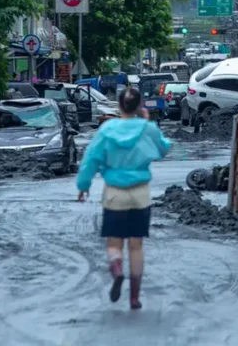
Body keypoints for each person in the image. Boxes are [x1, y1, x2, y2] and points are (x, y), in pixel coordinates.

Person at [77, 87, 171, 310]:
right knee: (136, 246)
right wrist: (148, 124)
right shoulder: (147, 129)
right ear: (140, 106)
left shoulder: (107, 129)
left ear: (119, 106)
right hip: (140, 194)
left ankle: (117, 269)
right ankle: (134, 298)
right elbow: (164, 149)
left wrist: (83, 185)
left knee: (114, 243)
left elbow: (91, 159)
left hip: (114, 194)